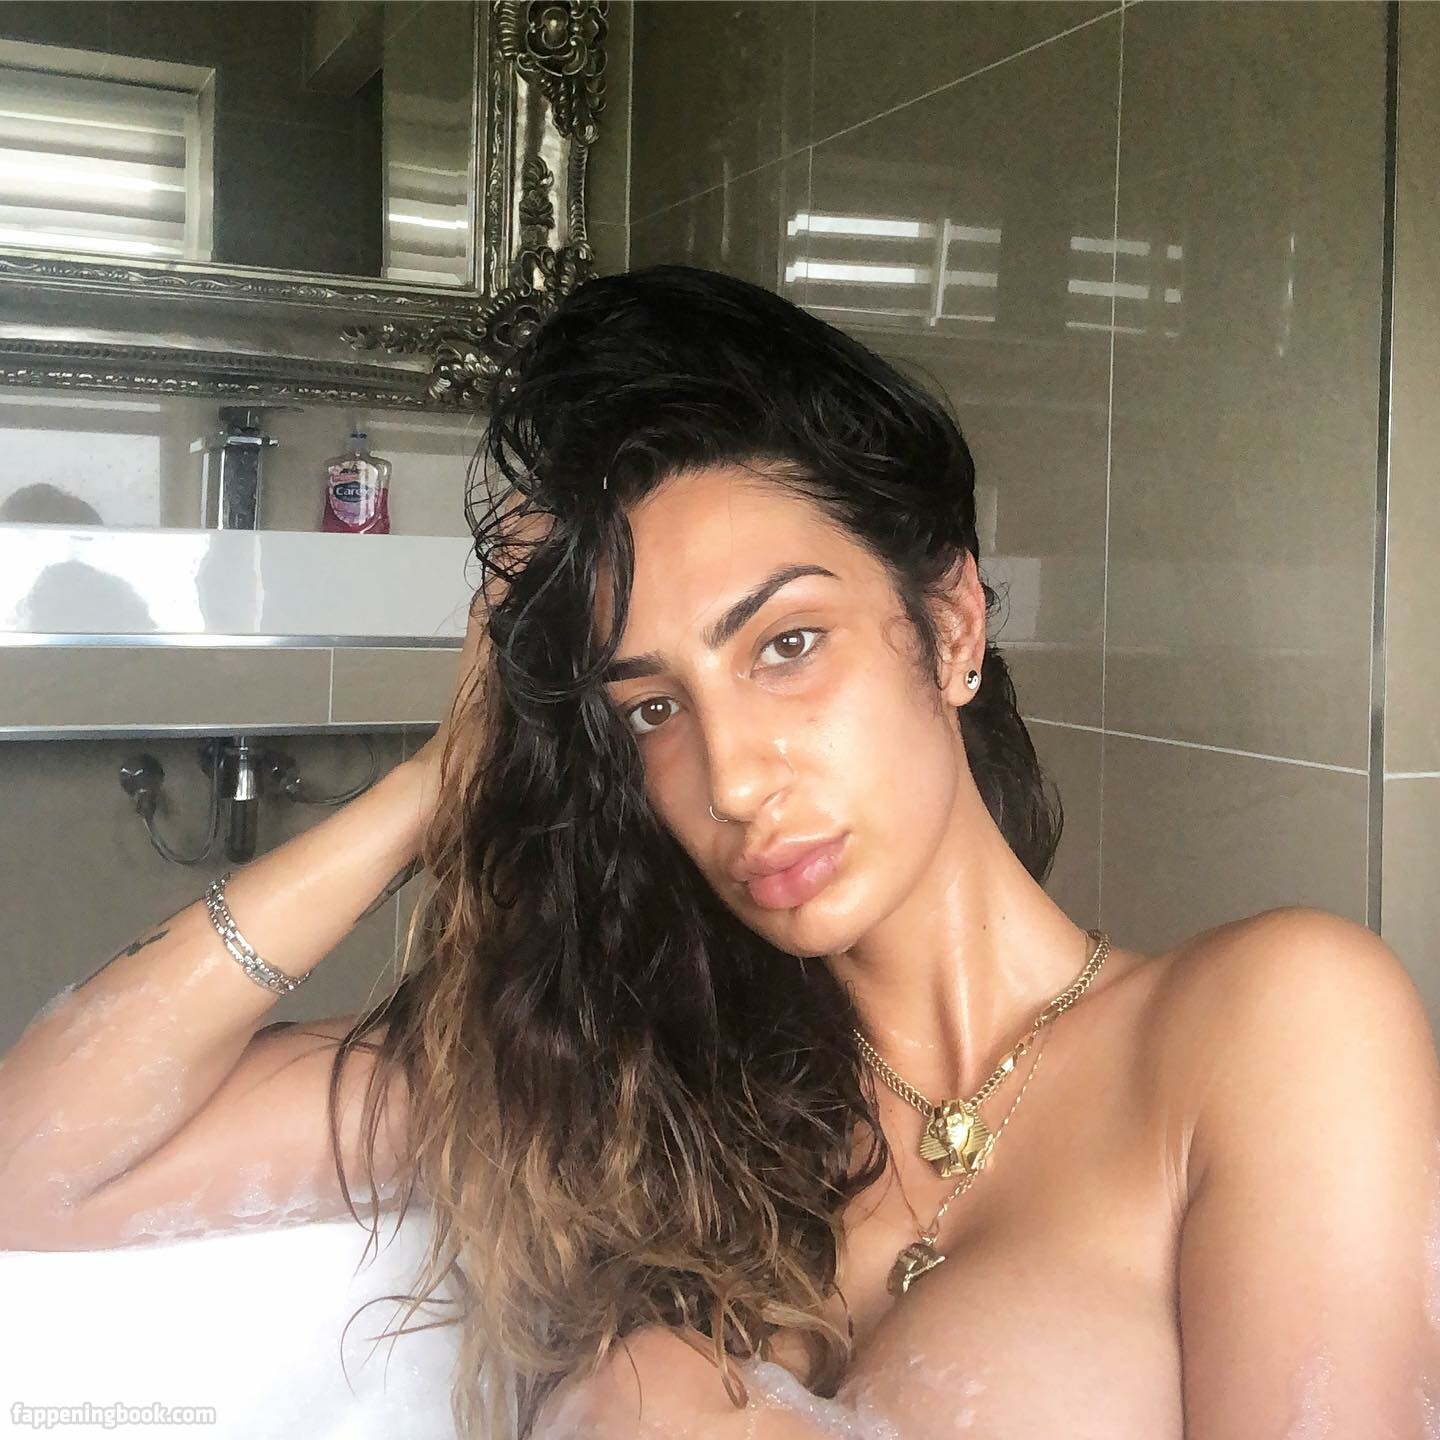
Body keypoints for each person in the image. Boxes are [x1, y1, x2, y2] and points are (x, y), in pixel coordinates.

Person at [0, 264, 1436, 1440]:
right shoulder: (624, 1079)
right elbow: (39, 1171)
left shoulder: (1266, 1029)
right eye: (653, 708)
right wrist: (441, 784)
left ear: (948, 629)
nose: (734, 778)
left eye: (787, 645)